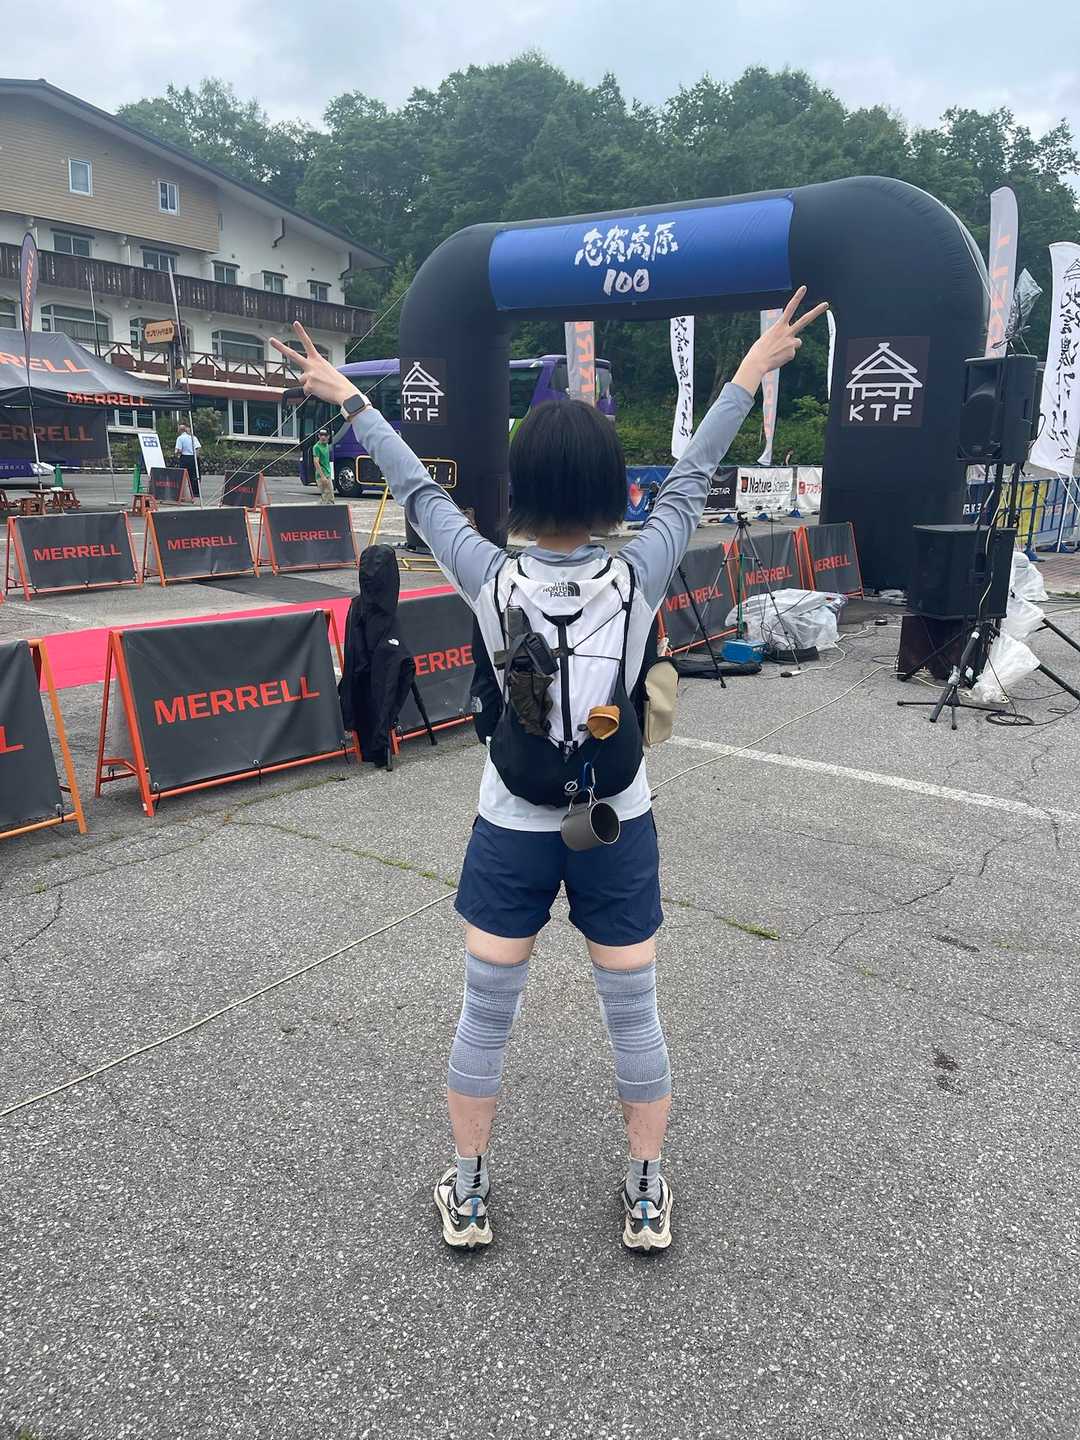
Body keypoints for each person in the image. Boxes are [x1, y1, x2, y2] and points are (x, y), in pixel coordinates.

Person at [271, 286, 826, 1254]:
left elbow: (418, 490)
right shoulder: (641, 570)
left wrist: (349, 397)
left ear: (522, 488)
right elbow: (695, 472)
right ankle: (645, 1194)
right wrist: (747, 371)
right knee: (632, 1010)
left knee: (486, 1011)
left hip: (512, 816)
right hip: (616, 813)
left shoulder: (489, 576)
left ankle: (469, 1192)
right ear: (613, 489)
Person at [174, 421, 201, 499]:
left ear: (180, 430)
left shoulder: (180, 438)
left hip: (185, 457)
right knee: (194, 475)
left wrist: (176, 453)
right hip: (193, 457)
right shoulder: (193, 437)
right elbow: (198, 447)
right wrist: (196, 456)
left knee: (184, 476)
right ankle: (195, 492)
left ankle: (183, 492)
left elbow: (179, 450)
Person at [312, 427, 336, 504]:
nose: (323, 437)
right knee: (328, 497)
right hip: (322, 475)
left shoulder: (326, 445)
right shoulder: (317, 447)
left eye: (325, 435)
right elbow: (316, 462)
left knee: (327, 497)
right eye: (321, 435)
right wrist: (322, 476)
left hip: (327, 474)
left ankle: (320, 508)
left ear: (328, 436)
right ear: (318, 436)